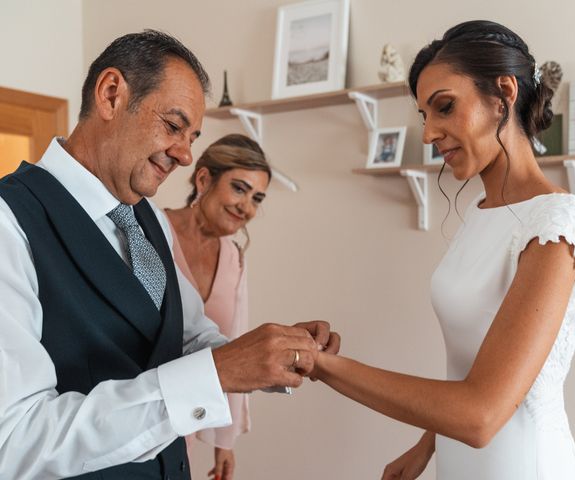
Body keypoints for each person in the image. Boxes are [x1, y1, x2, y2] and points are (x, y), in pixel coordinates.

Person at [0, 30, 339, 480]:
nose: (184, 155)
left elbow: (187, 336)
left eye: (193, 136)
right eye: (174, 126)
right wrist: (216, 375)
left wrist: (269, 354)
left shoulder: (149, 220)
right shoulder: (9, 222)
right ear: (111, 94)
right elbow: (16, 440)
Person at [311, 20, 575, 480]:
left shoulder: (557, 225)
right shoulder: (482, 211)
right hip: (462, 460)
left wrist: (323, 366)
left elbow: (481, 414)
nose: (428, 134)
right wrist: (427, 446)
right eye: (425, 116)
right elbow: (477, 365)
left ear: (503, 93)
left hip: (521, 464)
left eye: (444, 107)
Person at [164, 134, 271, 480]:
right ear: (203, 179)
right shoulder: (152, 232)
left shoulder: (234, 260)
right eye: (239, 189)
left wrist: (225, 442)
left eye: (256, 198)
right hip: (134, 405)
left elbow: (235, 345)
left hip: (186, 422)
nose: (247, 207)